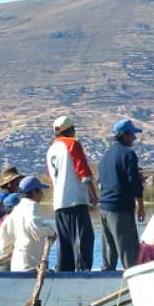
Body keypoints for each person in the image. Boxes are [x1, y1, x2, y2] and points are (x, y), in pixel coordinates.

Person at [45, 115, 97, 271]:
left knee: (65, 243)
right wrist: (92, 194)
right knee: (83, 240)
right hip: (75, 200)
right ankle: (83, 274)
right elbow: (84, 172)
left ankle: (64, 273)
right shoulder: (72, 144)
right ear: (71, 130)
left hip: (59, 203)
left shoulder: (51, 150)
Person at [97, 119, 146, 270]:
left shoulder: (105, 155)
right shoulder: (128, 154)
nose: (135, 138)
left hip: (104, 208)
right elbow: (134, 184)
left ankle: (105, 280)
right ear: (124, 135)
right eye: (132, 135)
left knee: (108, 252)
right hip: (120, 209)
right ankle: (135, 286)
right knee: (129, 252)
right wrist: (141, 206)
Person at [0, 176, 57, 272]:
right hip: (30, 264)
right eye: (40, 191)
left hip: (17, 263)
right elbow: (36, 227)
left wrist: (10, 250)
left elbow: (4, 235)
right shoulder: (32, 205)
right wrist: (51, 232)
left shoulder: (17, 208)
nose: (42, 194)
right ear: (34, 192)